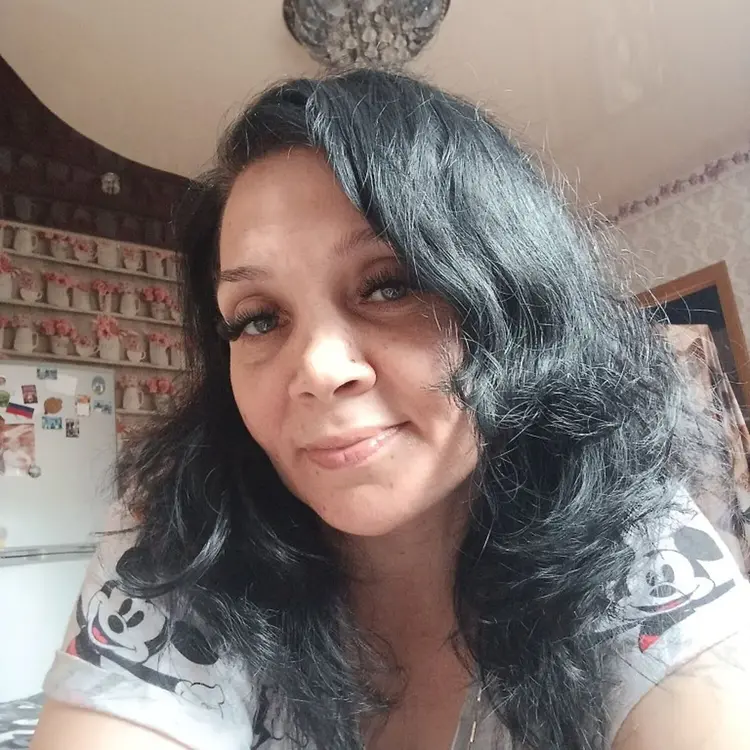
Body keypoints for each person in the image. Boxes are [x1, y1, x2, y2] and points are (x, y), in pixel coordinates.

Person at [32, 68, 750, 750]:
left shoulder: (632, 542)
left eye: (389, 286)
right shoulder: (189, 544)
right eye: (258, 319)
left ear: (515, 305)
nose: (318, 371)